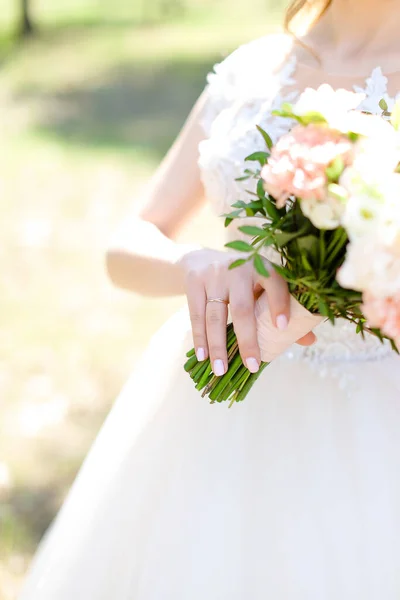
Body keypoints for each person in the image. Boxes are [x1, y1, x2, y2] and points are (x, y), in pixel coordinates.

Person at [18, 1, 400, 598]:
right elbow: (125, 245)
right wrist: (190, 263)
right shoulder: (252, 71)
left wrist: (343, 294)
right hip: (212, 416)